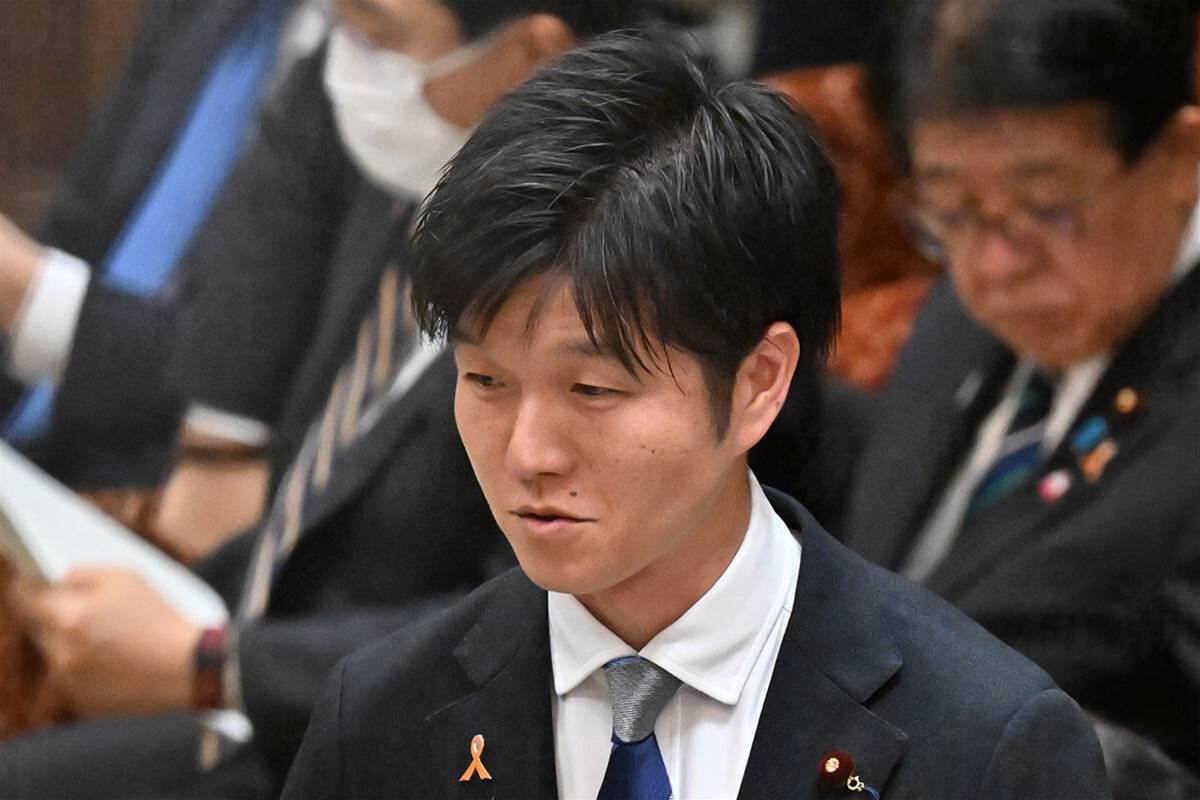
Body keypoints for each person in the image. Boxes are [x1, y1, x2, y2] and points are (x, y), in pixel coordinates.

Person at [282, 35, 1110, 800]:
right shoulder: (381, 720)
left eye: (592, 391)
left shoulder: (984, 743)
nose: (528, 454)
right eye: (486, 381)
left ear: (759, 382)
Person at [0, 3, 652, 798]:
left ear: (531, 52)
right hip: (273, 685)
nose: (344, 66)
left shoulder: (621, 273)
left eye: (380, 36)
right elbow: (309, 488)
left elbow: (549, 630)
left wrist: (215, 665)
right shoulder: (417, 161)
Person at [841, 0, 1200, 785]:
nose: (995, 266)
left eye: (1048, 206)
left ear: (1181, 158)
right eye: (951, 211)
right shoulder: (976, 290)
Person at [0, 0, 321, 489]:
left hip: (166, 490)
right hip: (33, 448)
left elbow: (245, 394)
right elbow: (77, 222)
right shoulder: (202, 12)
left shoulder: (385, 82)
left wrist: (28, 292)